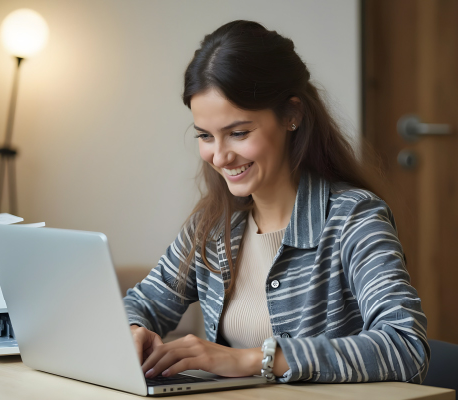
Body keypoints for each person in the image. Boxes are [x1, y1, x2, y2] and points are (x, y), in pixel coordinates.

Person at [123, 20, 429, 384]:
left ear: (292, 115)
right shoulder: (213, 224)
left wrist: (254, 360)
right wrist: (133, 328)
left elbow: (406, 347)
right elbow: (142, 302)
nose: (220, 157)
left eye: (239, 133)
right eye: (205, 136)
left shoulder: (353, 218)